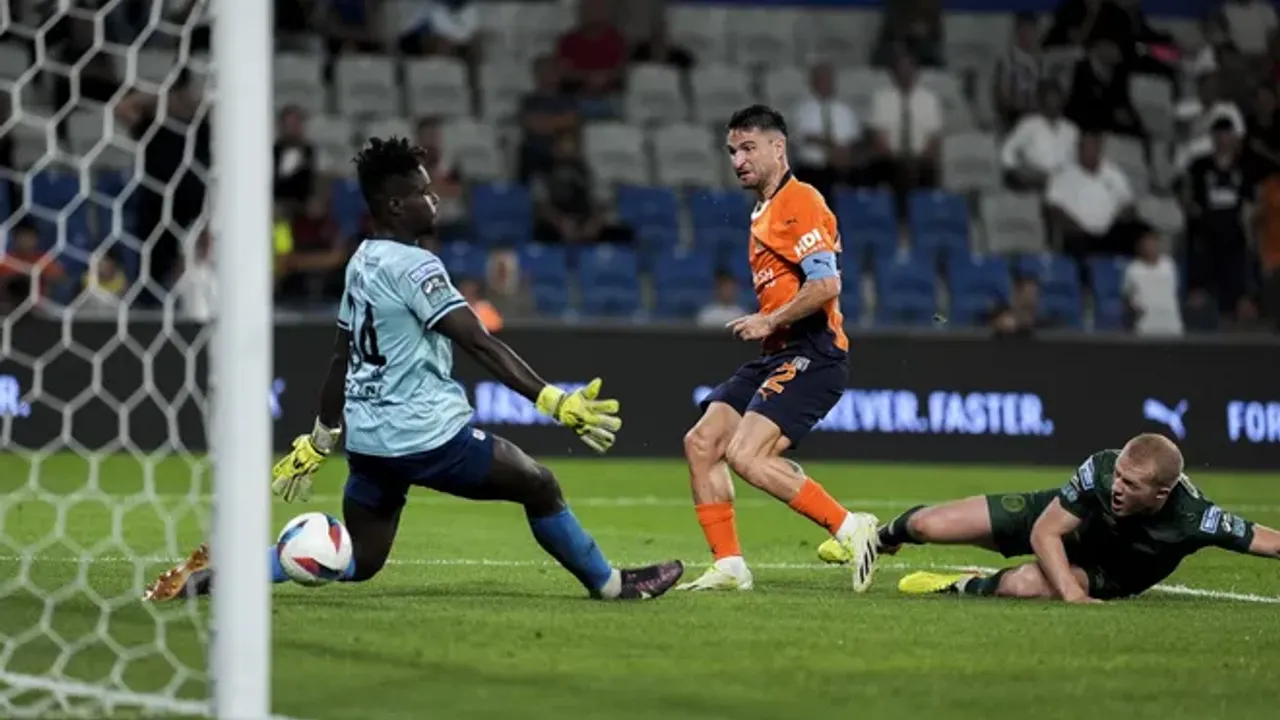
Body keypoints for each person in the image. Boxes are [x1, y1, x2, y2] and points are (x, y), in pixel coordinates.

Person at [144, 137, 684, 603]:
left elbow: (341, 354)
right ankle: (612, 585)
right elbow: (479, 343)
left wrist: (320, 436)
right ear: (396, 205)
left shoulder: (361, 260)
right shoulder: (418, 266)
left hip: (371, 443)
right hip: (426, 435)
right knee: (539, 484)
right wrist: (551, 400)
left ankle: (222, 574)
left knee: (360, 560)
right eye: (425, 192)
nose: (435, 199)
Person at [677, 105, 879, 594]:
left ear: (778, 148)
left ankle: (852, 528)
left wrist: (768, 318)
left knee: (746, 456)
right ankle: (730, 566)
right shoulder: (764, 211)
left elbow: (826, 283)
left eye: (748, 148)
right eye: (732, 151)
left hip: (815, 351)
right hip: (779, 352)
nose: (738, 160)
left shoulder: (800, 200)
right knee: (702, 443)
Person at [819, 434, 1280, 602]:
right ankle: (876, 539)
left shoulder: (1195, 517)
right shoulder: (1101, 467)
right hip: (1055, 519)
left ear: (1162, 493)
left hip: (1110, 572)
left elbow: (1268, 540)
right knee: (926, 525)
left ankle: (960, 584)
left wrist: (1070, 589)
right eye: (1118, 476)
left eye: (1132, 485)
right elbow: (1045, 532)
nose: (1118, 486)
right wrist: (1070, 599)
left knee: (1023, 585)